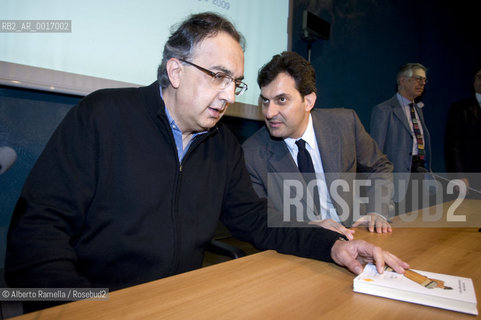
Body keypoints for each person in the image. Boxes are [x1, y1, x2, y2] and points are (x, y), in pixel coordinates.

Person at [5, 12, 408, 312]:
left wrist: (334, 246)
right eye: (218, 76)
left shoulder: (222, 146)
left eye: (236, 82)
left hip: (182, 304)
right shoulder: (101, 117)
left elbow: (258, 220)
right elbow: (38, 233)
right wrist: (78, 308)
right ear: (175, 71)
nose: (230, 95)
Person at [242, 52, 394, 239]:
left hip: (358, 235)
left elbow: (380, 166)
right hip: (301, 248)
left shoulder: (345, 124)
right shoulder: (252, 154)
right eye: (265, 100)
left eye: (281, 100)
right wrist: (307, 227)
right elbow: (259, 218)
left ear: (308, 101)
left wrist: (377, 211)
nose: (270, 112)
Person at [370, 63, 431, 208]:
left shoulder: (418, 110)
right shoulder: (384, 110)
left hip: (420, 173)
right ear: (402, 80)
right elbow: (376, 152)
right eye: (418, 78)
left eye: (424, 80)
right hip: (397, 180)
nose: (422, 83)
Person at [445, 68, 481, 191]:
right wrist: (458, 176)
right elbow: (453, 146)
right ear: (474, 82)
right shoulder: (459, 109)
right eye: (479, 77)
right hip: (472, 179)